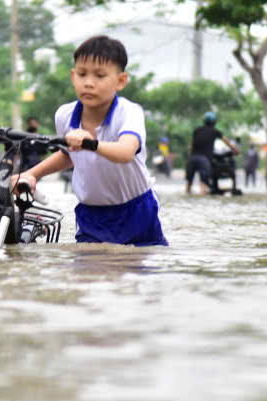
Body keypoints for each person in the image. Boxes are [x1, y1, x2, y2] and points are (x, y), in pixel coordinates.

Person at [15, 35, 167, 246]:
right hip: (91, 214)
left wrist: (91, 143)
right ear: (72, 76)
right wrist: (31, 174)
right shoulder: (64, 115)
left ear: (121, 81)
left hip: (136, 211)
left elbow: (126, 152)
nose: (88, 83)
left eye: (100, 76)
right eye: (82, 74)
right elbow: (69, 155)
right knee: (86, 272)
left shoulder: (129, 113)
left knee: (137, 271)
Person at [186, 111, 240, 194]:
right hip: (203, 160)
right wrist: (236, 151)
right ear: (214, 122)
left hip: (192, 158)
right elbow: (227, 142)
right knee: (203, 186)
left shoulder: (197, 130)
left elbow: (191, 145)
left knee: (188, 186)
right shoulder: (215, 131)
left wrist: (191, 155)